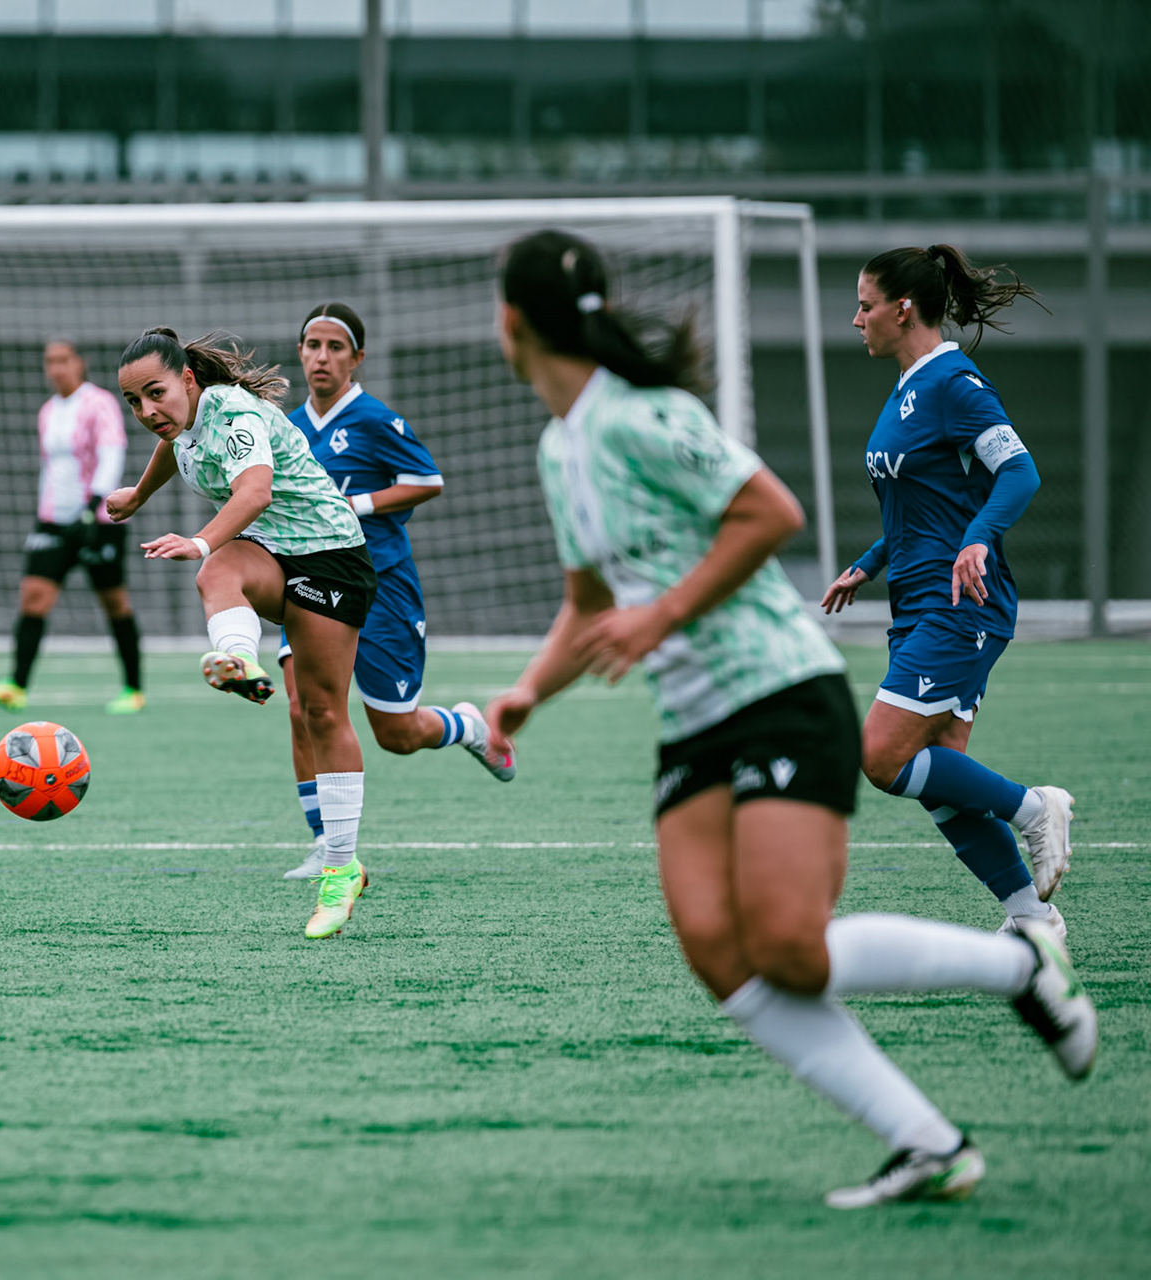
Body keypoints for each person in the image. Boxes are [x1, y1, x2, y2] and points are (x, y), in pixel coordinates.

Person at [481, 230, 1094, 1208]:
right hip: (695, 721)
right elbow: (589, 602)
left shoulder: (641, 415)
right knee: (724, 959)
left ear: (511, 322)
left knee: (790, 948)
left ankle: (1019, 961)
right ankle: (926, 1140)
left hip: (778, 691)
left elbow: (769, 512)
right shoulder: (561, 449)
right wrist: (522, 694)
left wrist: (663, 614)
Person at [821, 246, 1070, 943]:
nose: (855, 318)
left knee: (880, 756)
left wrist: (979, 538)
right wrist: (870, 563)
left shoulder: (955, 383)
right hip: (920, 601)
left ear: (904, 309)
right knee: (939, 778)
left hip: (962, 604)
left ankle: (1034, 809)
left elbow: (1018, 474)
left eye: (865, 305)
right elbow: (925, 504)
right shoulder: (910, 386)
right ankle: (1031, 917)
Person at [105, 327, 376, 940]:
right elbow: (174, 450)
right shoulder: (185, 424)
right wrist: (138, 497)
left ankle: (341, 871)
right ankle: (238, 662)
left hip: (333, 556)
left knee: (324, 713)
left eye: (156, 393)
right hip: (277, 554)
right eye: (134, 402)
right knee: (218, 571)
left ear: (189, 381)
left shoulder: (234, 409)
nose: (149, 412)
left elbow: (254, 491)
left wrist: (199, 538)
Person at [278, 303, 515, 882]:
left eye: (336, 347)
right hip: (309, 584)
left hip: (381, 586)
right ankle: (327, 845)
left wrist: (354, 503)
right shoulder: (285, 428)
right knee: (303, 709)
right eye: (312, 344)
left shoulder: (376, 420)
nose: (321, 356)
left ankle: (467, 727)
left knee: (397, 735)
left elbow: (427, 481)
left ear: (357, 358)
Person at [0, 339, 145, 715]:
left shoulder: (98, 402)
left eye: (62, 360)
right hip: (53, 522)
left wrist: (93, 505)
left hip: (97, 521)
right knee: (33, 597)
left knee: (115, 602)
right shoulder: (48, 411)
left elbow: (111, 452)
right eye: (49, 361)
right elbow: (52, 469)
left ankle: (133, 688)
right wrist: (43, 512)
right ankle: (15, 687)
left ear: (79, 363)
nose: (55, 368)